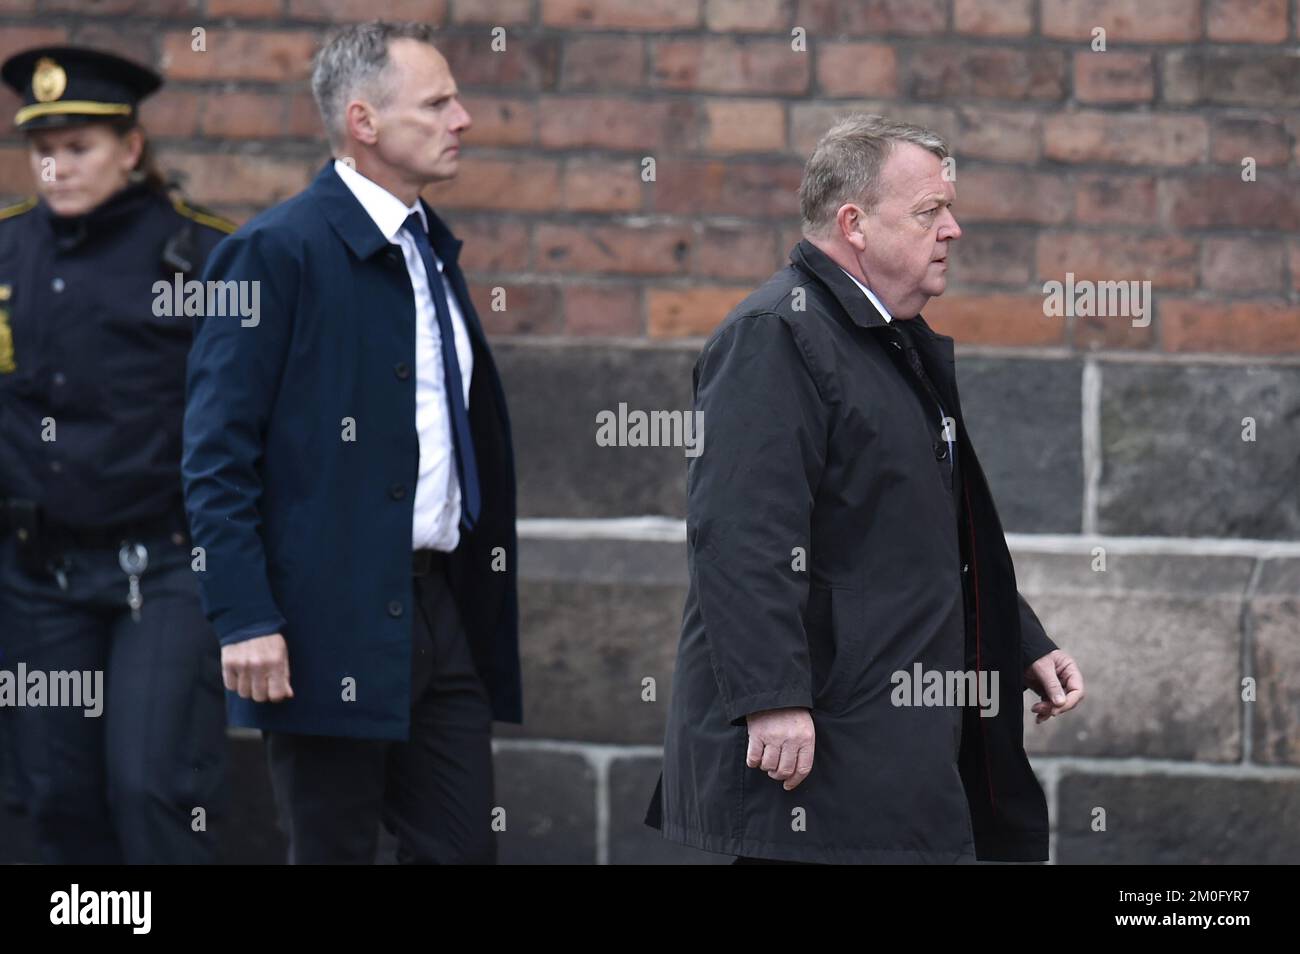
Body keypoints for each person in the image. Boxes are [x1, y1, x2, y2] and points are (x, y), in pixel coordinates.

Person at [645, 115, 1086, 864]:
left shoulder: (887, 338)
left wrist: (1020, 639)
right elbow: (740, 534)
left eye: (949, 209)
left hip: (897, 738)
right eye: (928, 212)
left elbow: (926, 531)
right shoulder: (776, 334)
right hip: (825, 749)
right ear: (853, 223)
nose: (953, 229)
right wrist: (771, 699)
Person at [182, 21, 521, 864]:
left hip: (439, 611)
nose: (463, 118)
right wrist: (244, 617)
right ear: (364, 121)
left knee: (459, 850)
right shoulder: (270, 252)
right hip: (320, 617)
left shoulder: (429, 249)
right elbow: (214, 452)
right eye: (438, 101)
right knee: (331, 850)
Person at [0, 45, 234, 863]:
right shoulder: (5, 252)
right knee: (54, 801)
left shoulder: (202, 256)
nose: (56, 169)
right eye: (42, 150)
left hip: (164, 572)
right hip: (38, 578)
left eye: (79, 148)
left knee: (151, 790)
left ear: (131, 148)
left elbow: (256, 421)